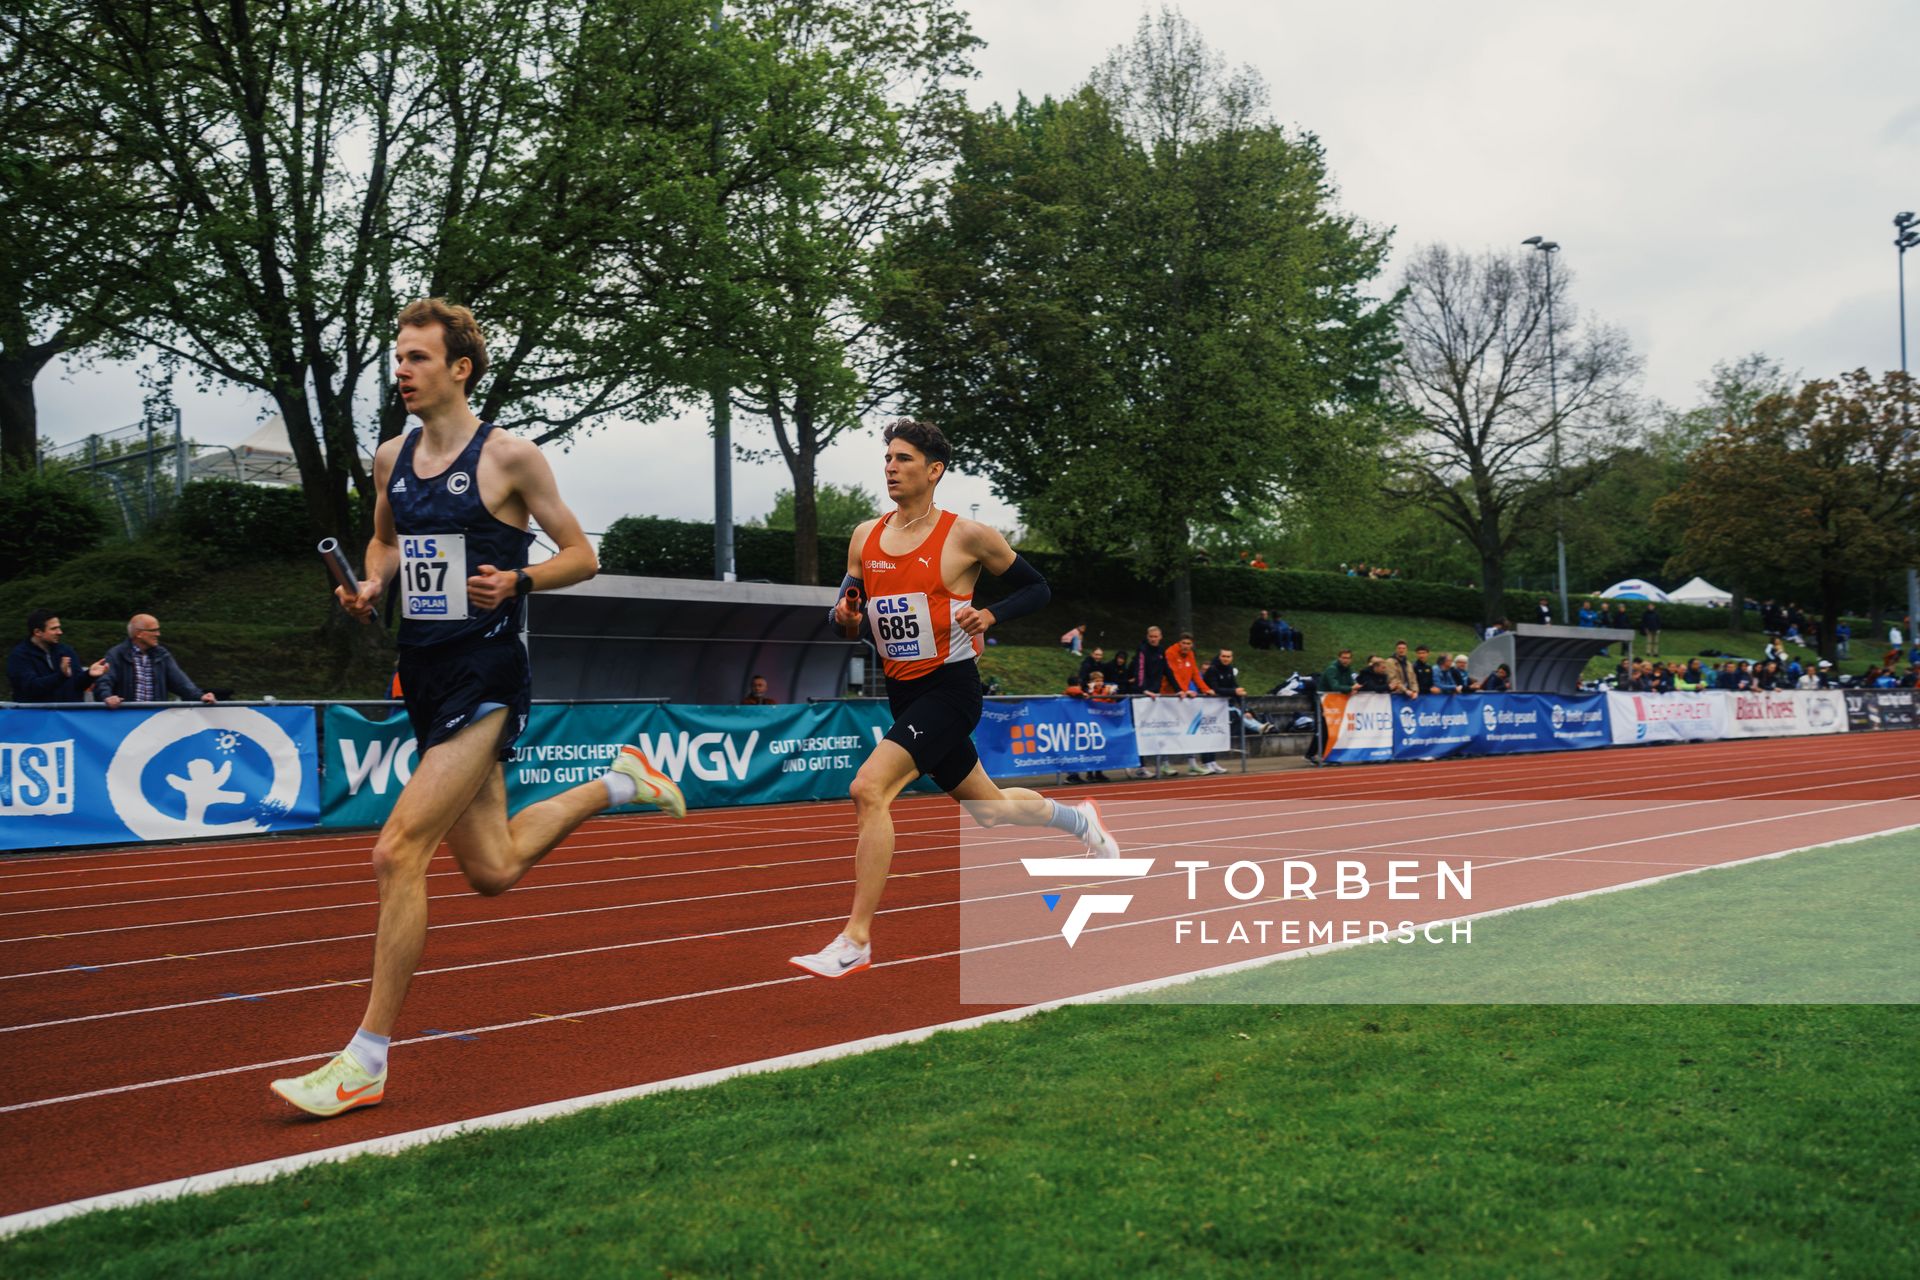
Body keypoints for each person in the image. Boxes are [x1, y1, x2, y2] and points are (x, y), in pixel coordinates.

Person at [268, 299, 686, 1119]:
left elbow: (583, 555)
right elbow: (386, 540)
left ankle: (365, 1060)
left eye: (418, 358)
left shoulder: (510, 459)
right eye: (398, 358)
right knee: (492, 869)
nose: (402, 371)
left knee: (398, 851)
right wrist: (374, 583)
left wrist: (518, 580)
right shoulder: (392, 456)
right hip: (421, 669)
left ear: (459, 369)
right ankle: (619, 785)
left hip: (488, 672)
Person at [789, 419, 1118, 980]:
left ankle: (856, 939)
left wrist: (989, 614)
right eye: (887, 458)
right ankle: (1078, 820)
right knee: (989, 810)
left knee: (869, 789)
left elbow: (1036, 587)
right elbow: (846, 617)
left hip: (950, 688)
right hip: (903, 691)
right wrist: (843, 618)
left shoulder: (967, 535)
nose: (891, 467)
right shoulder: (865, 537)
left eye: (904, 459)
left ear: (934, 470)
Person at [95, 615, 216, 708]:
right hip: (126, 717)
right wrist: (107, 697)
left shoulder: (162, 655)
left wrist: (200, 696)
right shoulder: (116, 654)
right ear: (139, 634)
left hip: (155, 718)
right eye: (153, 630)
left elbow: (180, 682)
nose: (158, 634)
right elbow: (105, 681)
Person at [7, 609, 106, 703]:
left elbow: (77, 685)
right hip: (36, 717)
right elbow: (31, 688)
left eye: (59, 627)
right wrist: (61, 676)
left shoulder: (66, 651)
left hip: (67, 717)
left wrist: (89, 675)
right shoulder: (19, 656)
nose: (60, 632)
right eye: (54, 629)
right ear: (37, 632)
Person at [1127, 626, 1173, 778]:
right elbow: (1139, 672)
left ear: (1160, 637)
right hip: (1142, 696)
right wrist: (1144, 690)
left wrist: (1181, 689)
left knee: (1154, 731)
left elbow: (1167, 671)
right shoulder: (1142, 650)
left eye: (1156, 636)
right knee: (1140, 731)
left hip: (1155, 697)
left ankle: (1155, 764)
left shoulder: (1161, 651)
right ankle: (1137, 765)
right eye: (1151, 636)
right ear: (1148, 637)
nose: (1153, 639)